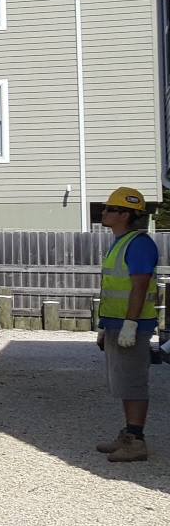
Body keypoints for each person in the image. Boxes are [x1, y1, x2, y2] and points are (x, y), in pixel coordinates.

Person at [95, 186, 160, 462]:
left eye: (110, 209)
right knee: (123, 381)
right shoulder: (121, 242)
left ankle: (136, 441)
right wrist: (105, 326)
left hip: (132, 325)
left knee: (133, 382)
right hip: (117, 323)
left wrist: (130, 325)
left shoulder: (139, 244)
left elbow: (140, 287)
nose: (105, 212)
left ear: (126, 214)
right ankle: (129, 434)